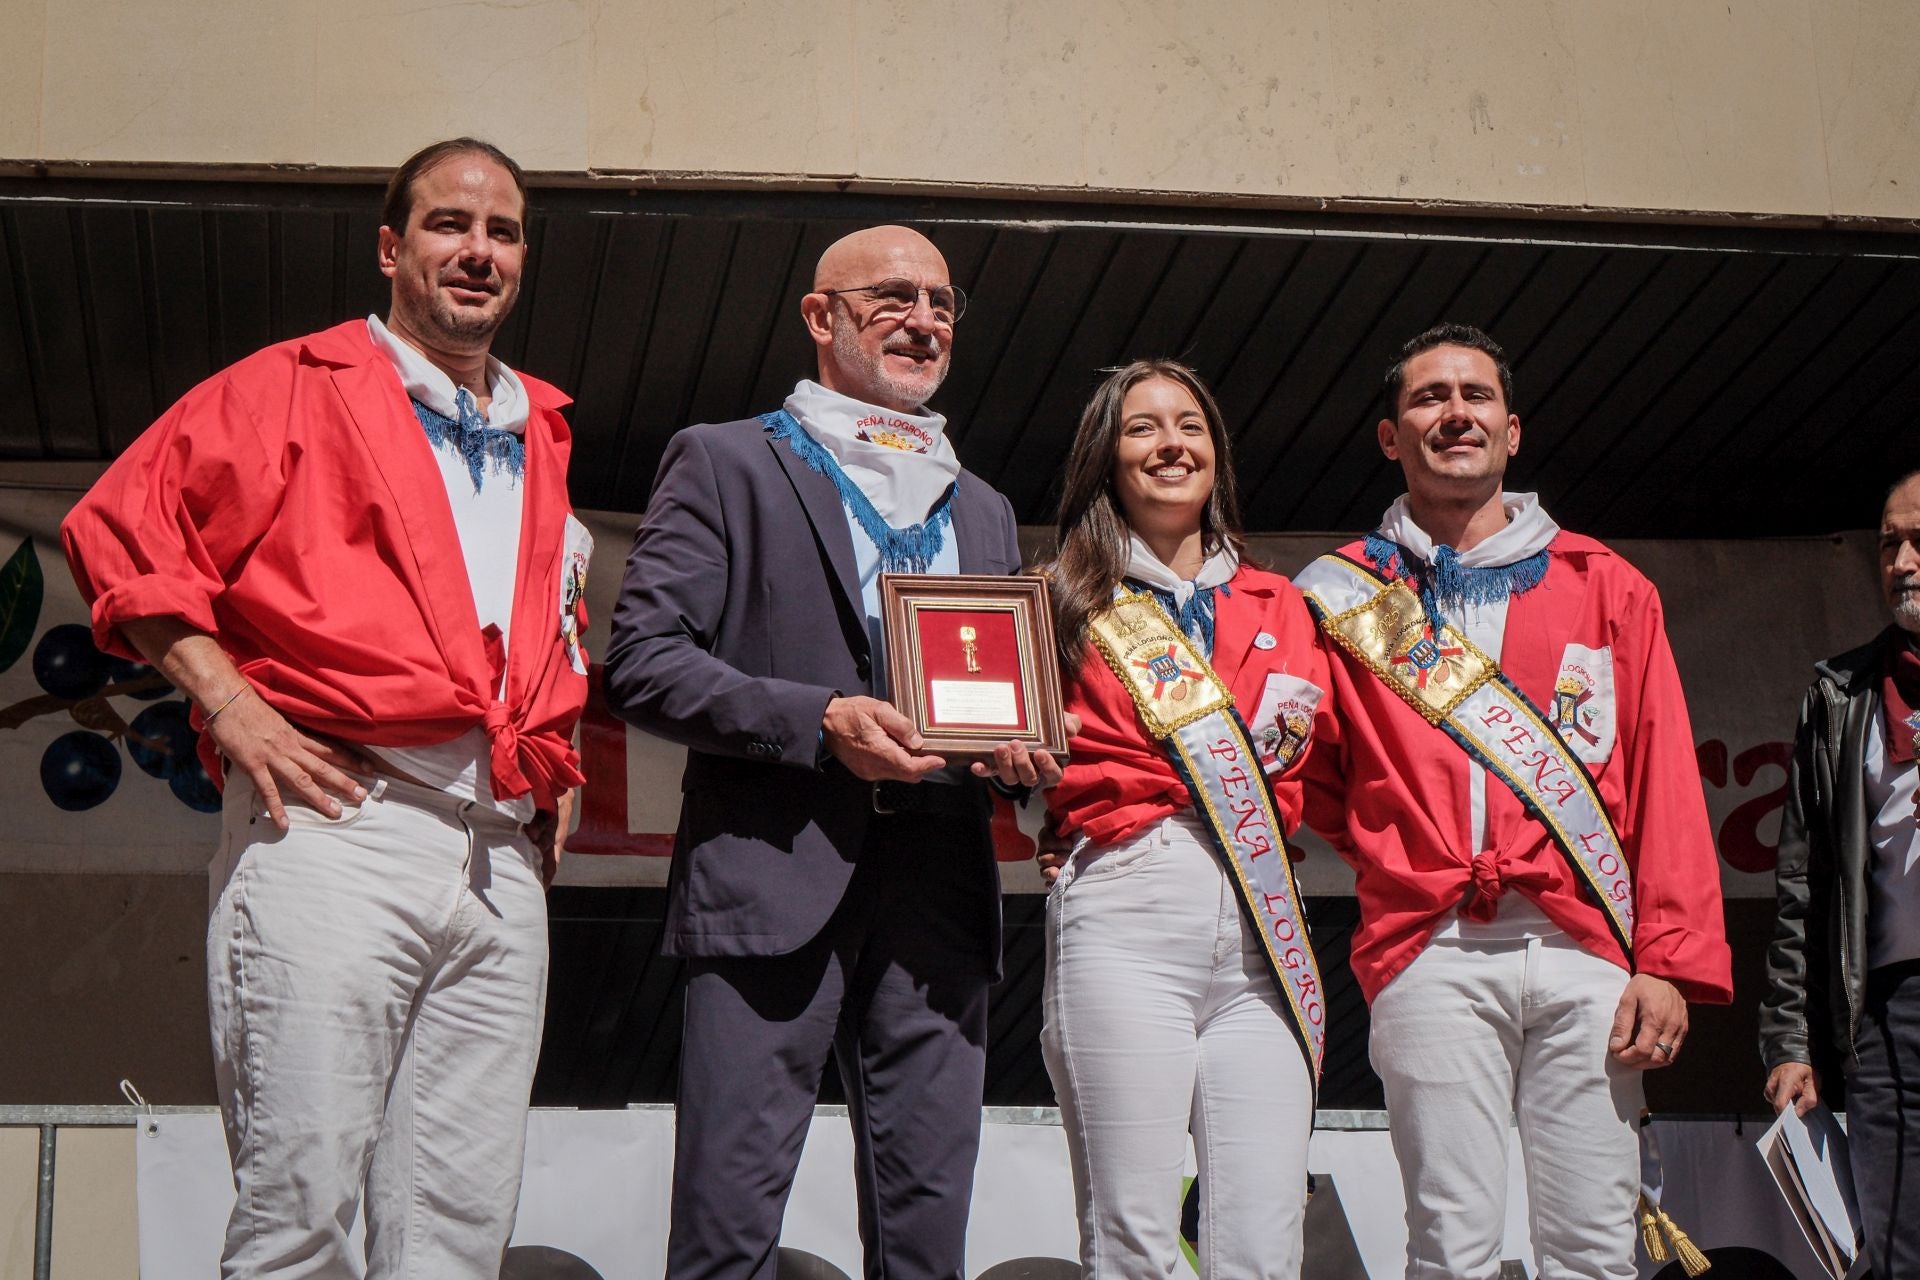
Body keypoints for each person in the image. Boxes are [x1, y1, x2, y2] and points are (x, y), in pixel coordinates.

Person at [61, 138, 588, 1277]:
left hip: (498, 861)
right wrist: (232, 704)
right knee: (301, 1209)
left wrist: (561, 757)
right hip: (344, 821)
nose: (478, 251)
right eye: (451, 224)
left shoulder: (540, 424)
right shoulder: (296, 380)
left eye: (502, 232)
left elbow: (545, 622)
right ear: (392, 247)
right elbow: (119, 530)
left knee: (456, 1232)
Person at [604, 225, 1063, 1280]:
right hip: (773, 875)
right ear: (821, 316)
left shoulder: (982, 506)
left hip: (941, 891)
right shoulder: (725, 458)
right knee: (726, 1233)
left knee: (928, 1244)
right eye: (894, 297)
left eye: (944, 303)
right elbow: (641, 660)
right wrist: (820, 720)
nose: (925, 320)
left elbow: (995, 693)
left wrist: (1026, 752)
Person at [1293, 323, 1732, 1279]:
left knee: (1594, 1246)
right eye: (1429, 399)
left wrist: (1666, 960)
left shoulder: (1606, 584)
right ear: (1389, 436)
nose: (1456, 414)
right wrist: (1396, 843)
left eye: (1477, 396)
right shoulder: (1336, 598)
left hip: (1587, 946)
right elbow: (1315, 775)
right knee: (1451, 1245)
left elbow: (1663, 784)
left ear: (1513, 430)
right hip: (1428, 944)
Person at [1038, 360, 1329, 1277]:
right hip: (1127, 901)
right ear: (1105, 458)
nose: (1171, 444)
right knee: (1133, 1229)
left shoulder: (1282, 603)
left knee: (1264, 1233)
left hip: (1261, 930)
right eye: (1142, 428)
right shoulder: (1058, 598)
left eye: (1190, 426)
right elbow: (1017, 754)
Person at [1762, 468, 1920, 1279]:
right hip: (1892, 1012)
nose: (1901, 560)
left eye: (1919, 539)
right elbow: (1805, 890)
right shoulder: (1843, 695)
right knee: (1897, 1246)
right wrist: (1791, 1040)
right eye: (1890, 542)